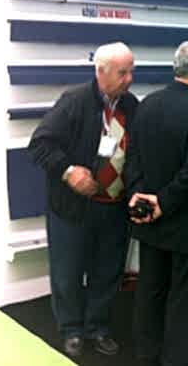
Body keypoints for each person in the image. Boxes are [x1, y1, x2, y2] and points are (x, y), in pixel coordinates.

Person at [28, 42, 137, 358]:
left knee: (108, 270)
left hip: (114, 208)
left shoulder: (132, 106)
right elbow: (40, 144)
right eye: (122, 73)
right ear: (101, 71)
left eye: (132, 72)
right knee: (68, 270)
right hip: (74, 208)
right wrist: (68, 171)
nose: (129, 79)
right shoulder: (73, 101)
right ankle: (71, 329)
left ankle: (98, 327)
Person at [125, 40, 188, 366]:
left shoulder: (147, 104)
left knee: (150, 290)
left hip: (149, 221)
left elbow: (132, 158)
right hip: (187, 225)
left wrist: (139, 196)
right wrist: (163, 202)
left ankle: (146, 354)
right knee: (185, 297)